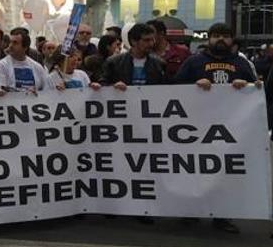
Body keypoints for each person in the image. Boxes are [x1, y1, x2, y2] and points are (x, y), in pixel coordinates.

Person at [175, 23, 257, 234]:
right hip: (197, 128)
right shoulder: (194, 62)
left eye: (226, 36)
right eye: (216, 36)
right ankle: (191, 212)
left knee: (224, 174)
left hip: (230, 130)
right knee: (195, 169)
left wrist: (246, 85)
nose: (221, 39)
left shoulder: (241, 63)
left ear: (232, 40)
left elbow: (256, 90)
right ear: (209, 38)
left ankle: (222, 216)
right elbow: (173, 88)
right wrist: (193, 85)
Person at [101, 23, 166, 89]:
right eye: (146, 40)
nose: (151, 44)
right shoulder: (113, 63)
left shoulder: (159, 64)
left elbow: (166, 87)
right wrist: (113, 86)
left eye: (152, 40)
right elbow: (103, 85)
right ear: (133, 41)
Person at [0, 27, 50, 93]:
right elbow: (1, 89)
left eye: (15, 43)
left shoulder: (37, 67)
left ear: (25, 47)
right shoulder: (2, 65)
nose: (11, 46)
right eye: (10, 42)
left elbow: (47, 89)